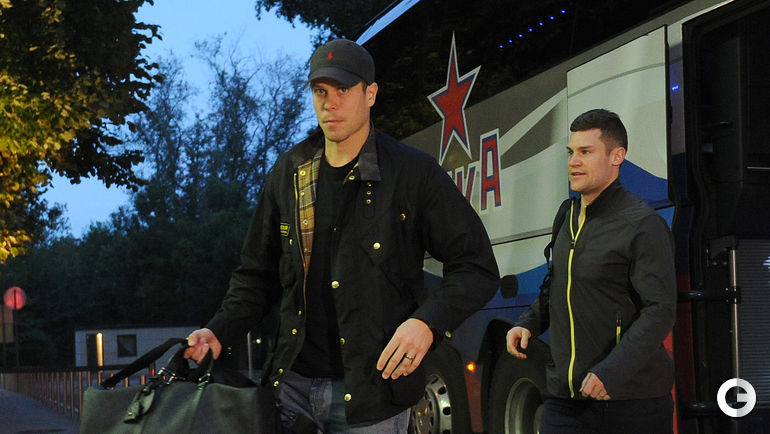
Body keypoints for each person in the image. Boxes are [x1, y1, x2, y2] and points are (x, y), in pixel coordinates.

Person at [185, 39, 499, 433]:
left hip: (372, 395)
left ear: (370, 94)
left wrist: (427, 324)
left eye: (343, 90)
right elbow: (256, 275)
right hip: (290, 392)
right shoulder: (289, 172)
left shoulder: (412, 174)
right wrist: (218, 330)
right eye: (320, 91)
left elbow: (476, 268)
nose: (329, 103)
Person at [506, 109, 676, 433]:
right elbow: (558, 284)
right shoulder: (566, 215)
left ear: (616, 157)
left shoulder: (642, 224)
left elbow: (660, 310)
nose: (573, 162)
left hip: (630, 402)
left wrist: (611, 372)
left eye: (585, 152)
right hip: (565, 399)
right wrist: (529, 322)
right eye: (570, 152)